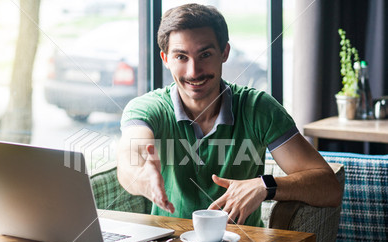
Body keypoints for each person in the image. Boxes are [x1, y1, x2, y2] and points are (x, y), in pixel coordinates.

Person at [117, 3, 342, 226]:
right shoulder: (147, 108)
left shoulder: (258, 108)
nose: (193, 71)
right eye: (181, 57)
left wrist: (265, 186)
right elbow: (130, 160)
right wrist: (142, 178)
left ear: (224, 52)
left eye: (204, 54)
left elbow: (329, 188)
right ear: (165, 59)